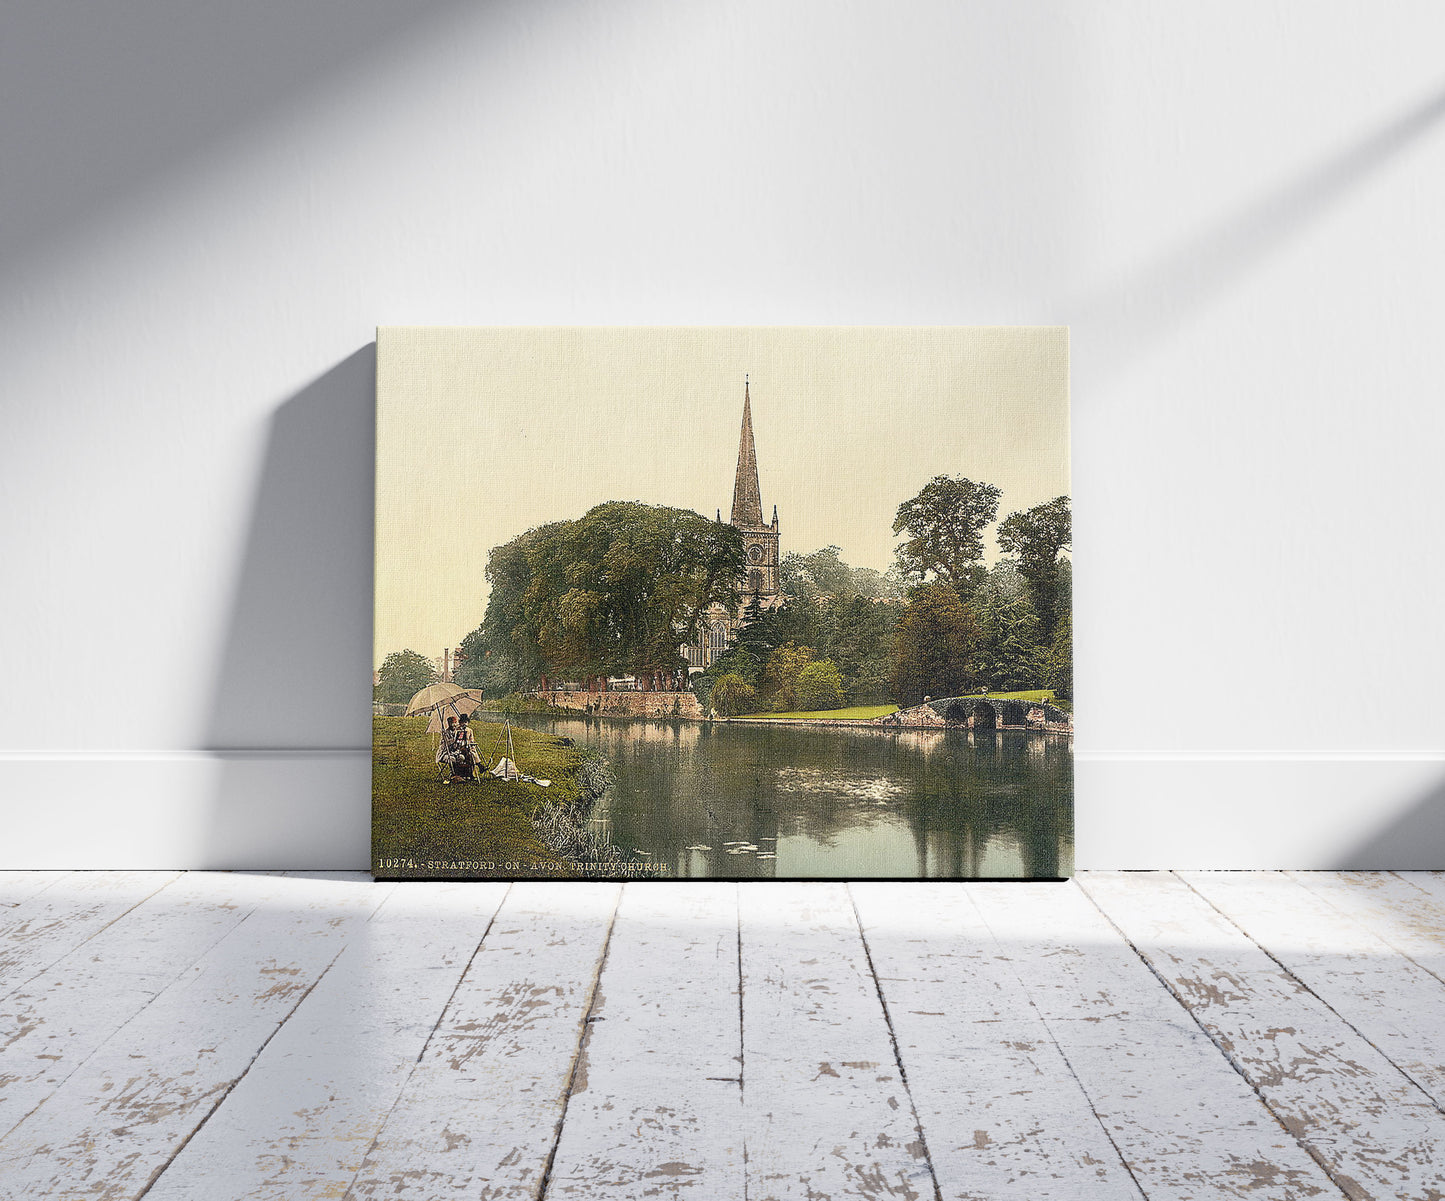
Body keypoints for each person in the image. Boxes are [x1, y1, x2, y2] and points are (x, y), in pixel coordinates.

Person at [457, 714, 483, 782]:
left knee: (472, 753)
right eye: (462, 722)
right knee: (469, 755)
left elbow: (472, 740)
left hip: (468, 747)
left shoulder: (469, 730)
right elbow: (456, 741)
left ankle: (472, 772)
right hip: (459, 748)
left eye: (466, 722)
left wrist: (472, 747)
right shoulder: (457, 730)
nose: (464, 724)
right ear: (460, 722)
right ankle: (479, 765)